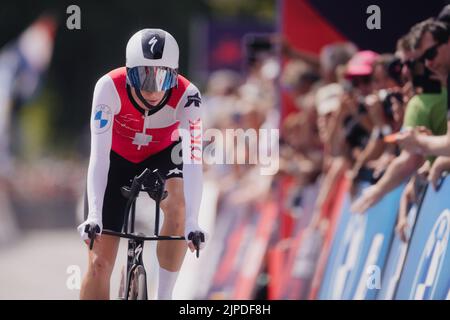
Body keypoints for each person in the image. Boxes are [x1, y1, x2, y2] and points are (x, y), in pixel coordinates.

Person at [77, 28, 206, 300]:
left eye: (162, 78)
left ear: (175, 74)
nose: (153, 89)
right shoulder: (108, 87)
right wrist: (94, 216)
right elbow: (99, 157)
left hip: (162, 157)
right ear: (128, 72)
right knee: (99, 264)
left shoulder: (189, 95)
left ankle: (165, 295)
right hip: (116, 161)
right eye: (143, 76)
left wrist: (192, 220)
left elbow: (194, 161)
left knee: (178, 206)